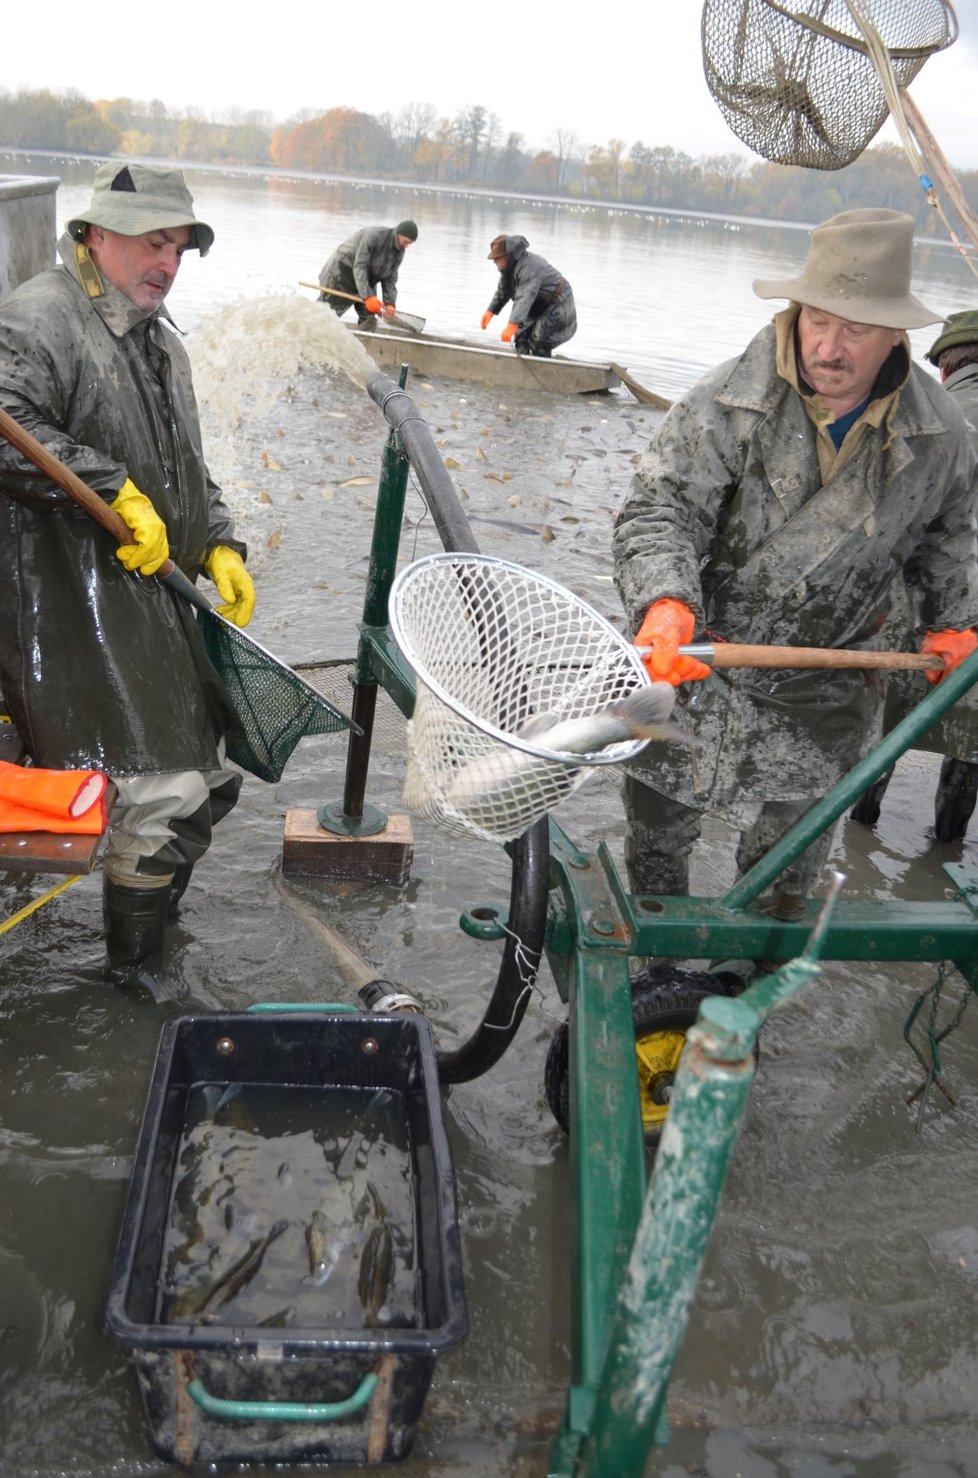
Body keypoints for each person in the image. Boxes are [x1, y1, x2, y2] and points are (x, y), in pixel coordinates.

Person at [612, 208, 978, 930]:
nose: (830, 348)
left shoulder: (940, 432)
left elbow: (954, 535)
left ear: (897, 336)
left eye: (857, 329)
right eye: (818, 320)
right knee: (656, 850)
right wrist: (664, 601)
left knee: (786, 873)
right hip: (699, 657)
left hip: (831, 677)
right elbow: (659, 510)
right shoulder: (726, 401)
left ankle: (740, 997)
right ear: (796, 309)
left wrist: (956, 621)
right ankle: (655, 988)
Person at [0, 161, 255, 996]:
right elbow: (9, 425)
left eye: (179, 248)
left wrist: (219, 541)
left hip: (156, 599)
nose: (168, 264)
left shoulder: (162, 341)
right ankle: (131, 974)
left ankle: (150, 919)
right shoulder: (41, 317)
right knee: (165, 791)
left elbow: (189, 468)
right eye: (154, 244)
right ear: (96, 235)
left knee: (211, 775)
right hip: (66, 603)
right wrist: (110, 489)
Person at [850, 308, 978, 841]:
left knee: (886, 726)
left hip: (921, 602)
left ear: (945, 369)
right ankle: (945, 848)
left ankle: (860, 827)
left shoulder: (932, 417)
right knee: (970, 739)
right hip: (968, 614)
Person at [481, 235, 577, 358]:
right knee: (521, 338)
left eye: (497, 258)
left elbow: (524, 297)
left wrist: (512, 324)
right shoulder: (507, 269)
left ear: (508, 256)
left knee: (539, 340)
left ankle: (543, 371)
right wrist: (490, 311)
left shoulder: (530, 266)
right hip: (536, 306)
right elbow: (502, 292)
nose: (494, 261)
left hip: (558, 302)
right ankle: (523, 371)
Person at [317, 221, 418, 323]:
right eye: (406, 241)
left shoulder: (399, 251)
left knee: (369, 319)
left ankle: (364, 337)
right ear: (398, 234)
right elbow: (360, 266)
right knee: (326, 315)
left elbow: (390, 278)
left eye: (410, 243)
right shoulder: (372, 236)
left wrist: (390, 304)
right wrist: (368, 296)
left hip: (367, 282)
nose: (407, 246)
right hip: (341, 275)